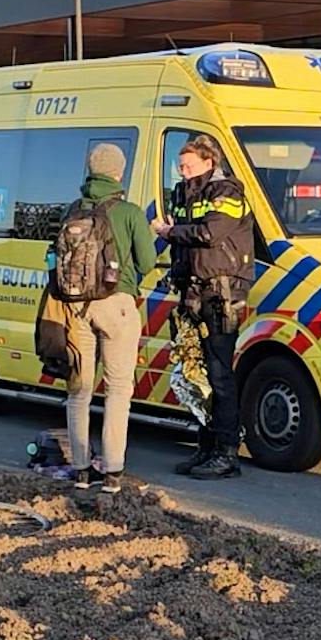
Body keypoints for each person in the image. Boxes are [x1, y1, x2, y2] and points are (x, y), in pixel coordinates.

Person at [57, 143, 157, 493]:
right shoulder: (128, 212)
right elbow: (147, 262)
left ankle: (81, 469)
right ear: (119, 172)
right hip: (116, 304)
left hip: (76, 307)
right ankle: (112, 471)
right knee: (117, 390)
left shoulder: (72, 210)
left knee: (79, 390)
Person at [154, 135, 255, 480]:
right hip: (192, 292)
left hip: (223, 292)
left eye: (188, 166)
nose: (181, 172)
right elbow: (185, 240)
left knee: (220, 374)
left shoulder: (227, 191)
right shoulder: (183, 192)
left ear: (208, 162)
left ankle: (227, 454)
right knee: (196, 375)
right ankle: (206, 446)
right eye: (179, 167)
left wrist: (169, 231)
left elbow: (210, 233)